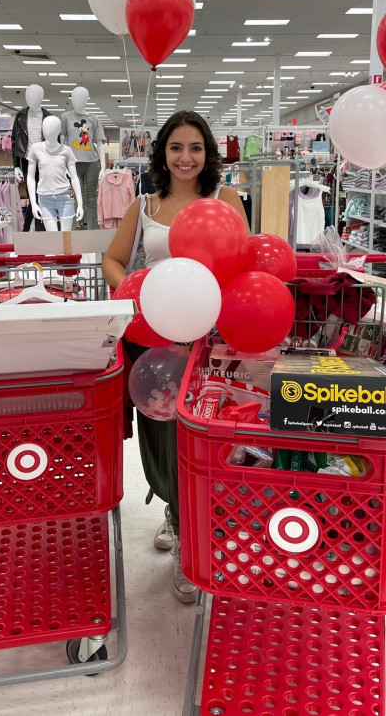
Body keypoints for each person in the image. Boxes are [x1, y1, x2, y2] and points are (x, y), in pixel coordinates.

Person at [102, 110, 248, 602]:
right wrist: (136, 293)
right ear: (162, 154)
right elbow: (112, 258)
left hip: (211, 341)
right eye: (176, 148)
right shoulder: (145, 205)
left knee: (205, 440)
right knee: (162, 440)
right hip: (154, 342)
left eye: (196, 148)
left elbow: (243, 263)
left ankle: (194, 543)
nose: (186, 157)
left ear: (209, 154)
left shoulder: (224, 200)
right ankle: (175, 513)